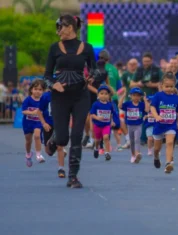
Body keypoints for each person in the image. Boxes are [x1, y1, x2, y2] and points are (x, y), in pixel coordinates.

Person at [44, 14, 96, 188]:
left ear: (69, 27)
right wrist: (53, 85)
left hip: (81, 96)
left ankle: (73, 176)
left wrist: (91, 79)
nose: (58, 32)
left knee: (76, 136)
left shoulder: (87, 48)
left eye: (60, 27)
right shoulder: (54, 48)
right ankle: (54, 138)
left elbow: (94, 70)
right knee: (63, 139)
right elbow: (46, 76)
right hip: (60, 97)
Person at [150, 72, 178, 174]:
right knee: (157, 148)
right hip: (159, 125)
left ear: (174, 86)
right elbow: (152, 107)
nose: (169, 88)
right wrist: (156, 116)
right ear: (161, 86)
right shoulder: (158, 96)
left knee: (170, 142)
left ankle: (168, 163)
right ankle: (156, 157)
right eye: (167, 86)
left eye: (171, 86)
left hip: (171, 125)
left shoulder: (177, 98)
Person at [37, 88, 67, 178]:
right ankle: (53, 145)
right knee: (49, 151)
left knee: (60, 146)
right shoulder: (46, 96)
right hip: (48, 125)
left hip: (59, 124)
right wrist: (44, 123)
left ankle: (61, 169)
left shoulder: (64, 95)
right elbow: (39, 111)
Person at [121, 88, 149, 163]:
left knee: (137, 139)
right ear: (130, 96)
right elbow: (120, 106)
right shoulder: (127, 104)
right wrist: (123, 96)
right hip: (130, 125)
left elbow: (147, 110)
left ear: (140, 97)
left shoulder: (141, 104)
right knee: (132, 141)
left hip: (138, 125)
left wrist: (145, 100)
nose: (136, 97)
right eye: (134, 95)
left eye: (138, 96)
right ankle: (133, 155)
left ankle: (137, 153)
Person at [22, 79, 46, 167]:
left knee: (37, 136)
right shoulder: (28, 100)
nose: (37, 91)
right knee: (28, 141)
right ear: (31, 89)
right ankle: (28, 154)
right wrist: (32, 112)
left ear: (43, 91)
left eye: (40, 90)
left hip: (38, 122)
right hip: (28, 123)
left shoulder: (43, 100)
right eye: (36, 89)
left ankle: (39, 155)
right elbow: (23, 111)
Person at [90, 85, 117, 161]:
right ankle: (96, 148)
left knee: (106, 137)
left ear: (108, 95)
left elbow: (111, 114)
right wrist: (97, 118)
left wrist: (112, 121)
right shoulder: (96, 104)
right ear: (98, 95)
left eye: (106, 94)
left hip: (106, 124)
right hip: (98, 125)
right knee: (97, 140)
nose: (104, 95)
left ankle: (107, 153)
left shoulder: (110, 105)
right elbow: (92, 114)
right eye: (101, 93)